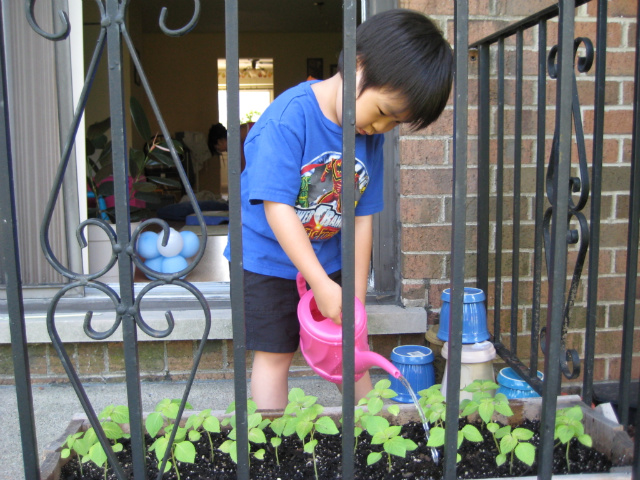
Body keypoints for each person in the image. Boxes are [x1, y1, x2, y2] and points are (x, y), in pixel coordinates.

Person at [224, 9, 453, 410]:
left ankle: (370, 434)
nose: (381, 129)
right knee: (276, 355)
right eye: (382, 112)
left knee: (351, 350)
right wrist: (320, 283)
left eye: (394, 123)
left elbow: (363, 219)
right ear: (358, 64)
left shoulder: (370, 139)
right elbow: (278, 210)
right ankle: (273, 444)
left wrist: (355, 292)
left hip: (327, 256)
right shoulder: (288, 118)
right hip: (266, 260)